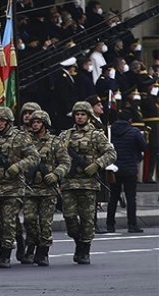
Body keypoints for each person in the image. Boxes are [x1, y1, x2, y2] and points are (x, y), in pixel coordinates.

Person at [58, 101, 116, 265]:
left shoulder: (96, 135)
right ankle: (79, 242)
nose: (80, 117)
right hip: (69, 183)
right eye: (77, 114)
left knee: (87, 219)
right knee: (69, 218)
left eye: (83, 114)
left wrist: (97, 165)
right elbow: (55, 153)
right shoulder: (65, 135)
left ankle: (84, 250)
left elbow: (111, 153)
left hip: (88, 184)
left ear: (89, 116)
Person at [0, 107, 39, 268]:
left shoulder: (20, 138)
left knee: (8, 221)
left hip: (13, 186)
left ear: (9, 122)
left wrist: (18, 166)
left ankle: (6, 253)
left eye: (2, 121)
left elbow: (34, 157)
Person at [23, 110, 70, 266]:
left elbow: (65, 163)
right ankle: (33, 244)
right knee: (29, 220)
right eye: (33, 122)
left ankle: (43, 252)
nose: (35, 125)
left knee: (45, 222)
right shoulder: (25, 141)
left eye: (38, 122)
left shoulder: (55, 142)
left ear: (44, 124)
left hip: (48, 189)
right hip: (29, 188)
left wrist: (56, 174)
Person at [107, 108, 147, 233]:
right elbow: (143, 146)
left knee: (113, 197)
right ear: (130, 120)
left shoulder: (110, 131)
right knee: (131, 197)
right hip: (130, 168)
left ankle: (110, 224)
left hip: (114, 168)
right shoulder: (134, 131)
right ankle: (132, 224)